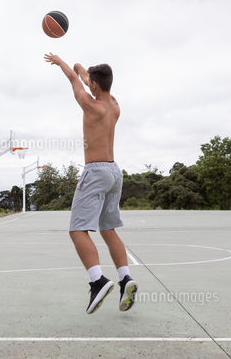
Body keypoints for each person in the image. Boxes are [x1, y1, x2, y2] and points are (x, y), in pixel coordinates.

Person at [44, 53, 138, 314]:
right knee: (108, 230)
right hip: (114, 171)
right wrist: (80, 67)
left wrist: (61, 62)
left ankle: (98, 281)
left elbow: (75, 80)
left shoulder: (89, 105)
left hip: (95, 172)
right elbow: (84, 76)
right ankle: (125, 279)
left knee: (77, 230)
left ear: (94, 86)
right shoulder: (114, 105)